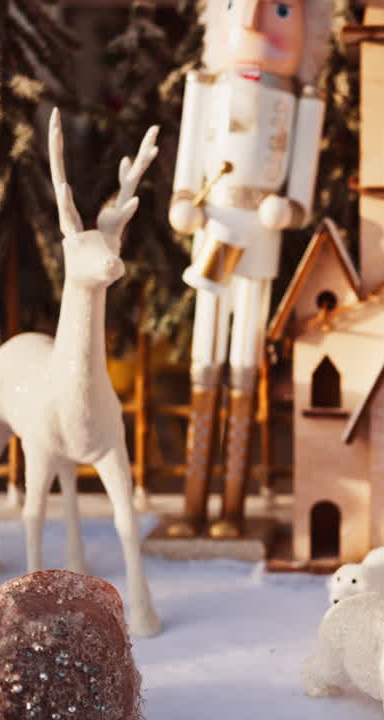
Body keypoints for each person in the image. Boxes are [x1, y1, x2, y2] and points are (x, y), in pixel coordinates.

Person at [166, 0, 332, 538]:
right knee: (203, 354)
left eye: (281, 9)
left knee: (243, 360)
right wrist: (183, 201)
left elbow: (300, 184)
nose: (253, 22)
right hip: (215, 226)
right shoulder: (206, 89)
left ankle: (232, 505)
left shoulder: (302, 102)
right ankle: (194, 501)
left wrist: (291, 208)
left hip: (259, 233)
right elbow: (189, 161)